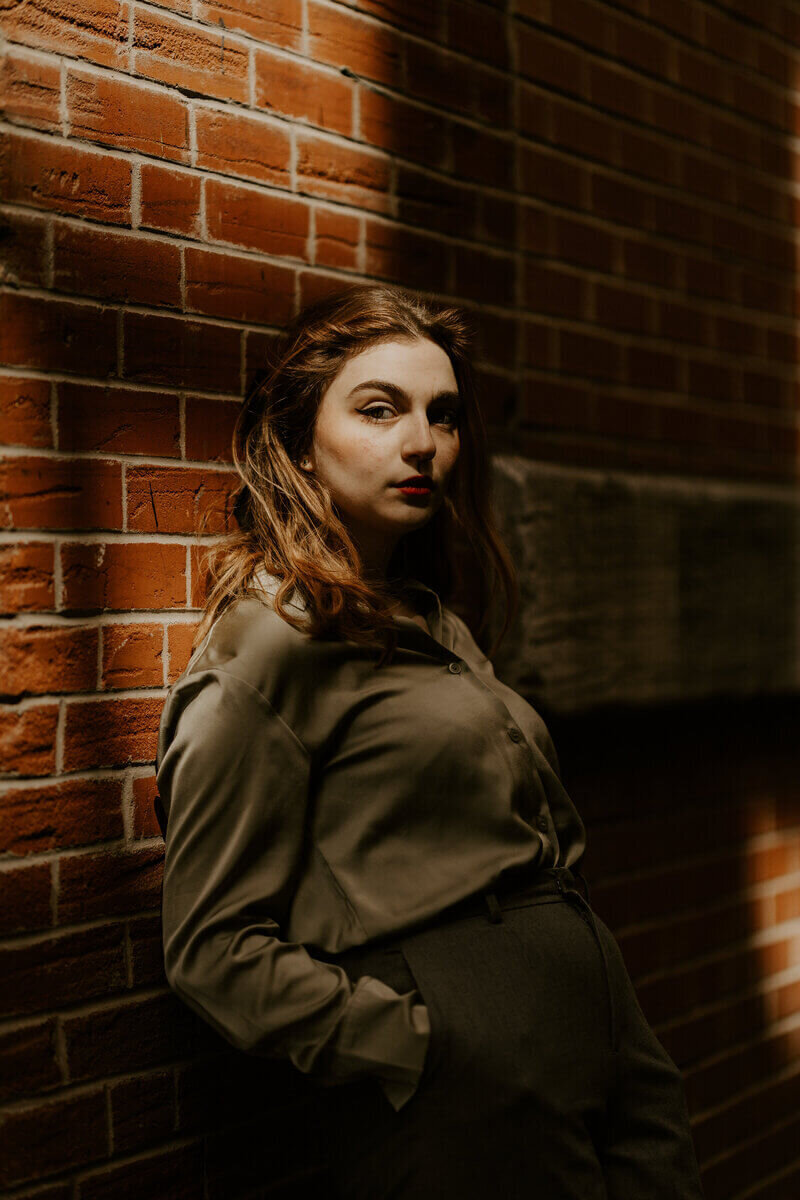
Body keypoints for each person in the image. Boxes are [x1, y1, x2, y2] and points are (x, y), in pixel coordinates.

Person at [154, 282, 705, 1199]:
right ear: (297, 437)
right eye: (380, 409)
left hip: (597, 1030)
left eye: (442, 416)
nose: (422, 444)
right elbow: (211, 949)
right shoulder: (272, 647)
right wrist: (420, 1043)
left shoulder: (435, 623)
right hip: (469, 1071)